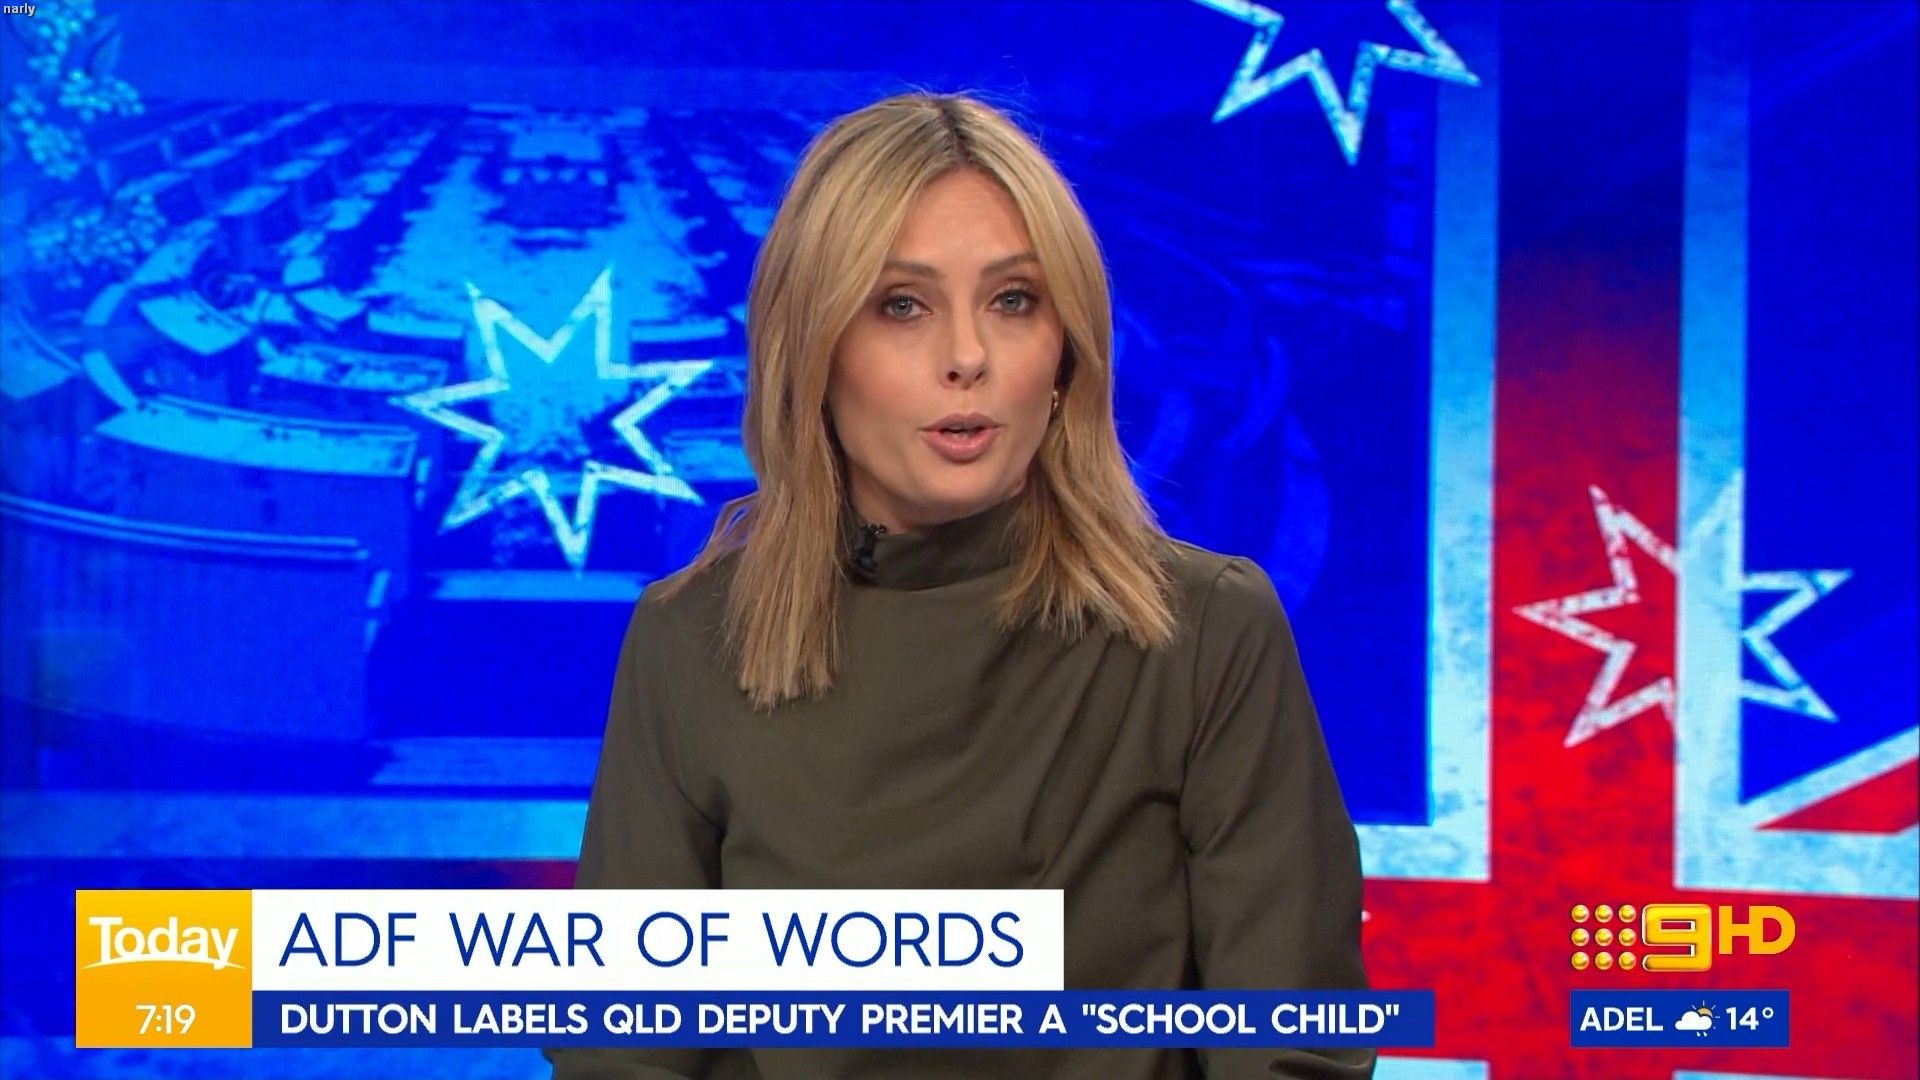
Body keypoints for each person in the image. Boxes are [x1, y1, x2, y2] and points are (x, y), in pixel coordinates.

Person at [546, 91, 1372, 1079]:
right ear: (812, 349)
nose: (967, 357)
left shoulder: (1205, 632)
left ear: (1066, 356)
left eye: (1013, 301)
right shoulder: (691, 639)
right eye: (903, 305)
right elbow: (626, 1053)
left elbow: (1291, 1047)